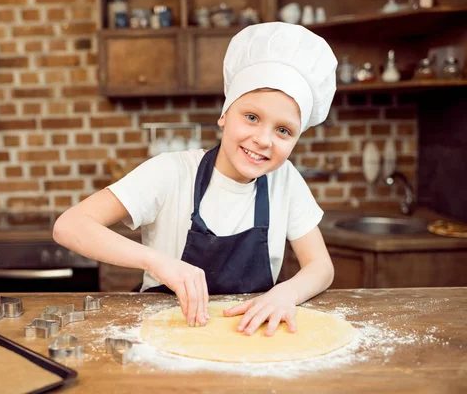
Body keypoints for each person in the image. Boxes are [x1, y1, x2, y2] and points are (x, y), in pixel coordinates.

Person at [53, 22, 337, 337]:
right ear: (225, 114)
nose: (263, 140)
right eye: (252, 117)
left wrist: (286, 294)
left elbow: (321, 268)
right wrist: (158, 262)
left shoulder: (285, 180)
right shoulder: (172, 172)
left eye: (283, 130)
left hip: (247, 337)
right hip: (167, 332)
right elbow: (70, 226)